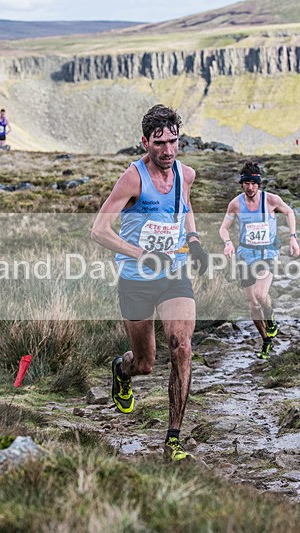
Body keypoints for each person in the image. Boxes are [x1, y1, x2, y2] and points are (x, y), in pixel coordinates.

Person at [91, 104, 209, 462]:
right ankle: (122, 369)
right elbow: (98, 230)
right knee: (145, 363)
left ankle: (173, 439)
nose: (168, 150)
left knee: (182, 347)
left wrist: (194, 240)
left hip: (173, 274)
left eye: (173, 141)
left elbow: (184, 207)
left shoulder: (185, 175)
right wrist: (141, 254)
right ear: (145, 142)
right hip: (136, 280)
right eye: (159, 143)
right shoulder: (133, 178)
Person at [218, 161, 300, 359]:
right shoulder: (236, 204)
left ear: (259, 184)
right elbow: (223, 228)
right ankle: (266, 339)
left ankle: (271, 319)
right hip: (245, 255)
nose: (250, 187)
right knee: (253, 303)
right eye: (246, 183)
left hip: (267, 253)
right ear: (242, 184)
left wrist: (293, 237)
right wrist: (228, 242)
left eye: (254, 183)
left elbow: (289, 212)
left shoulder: (271, 200)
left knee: (261, 295)